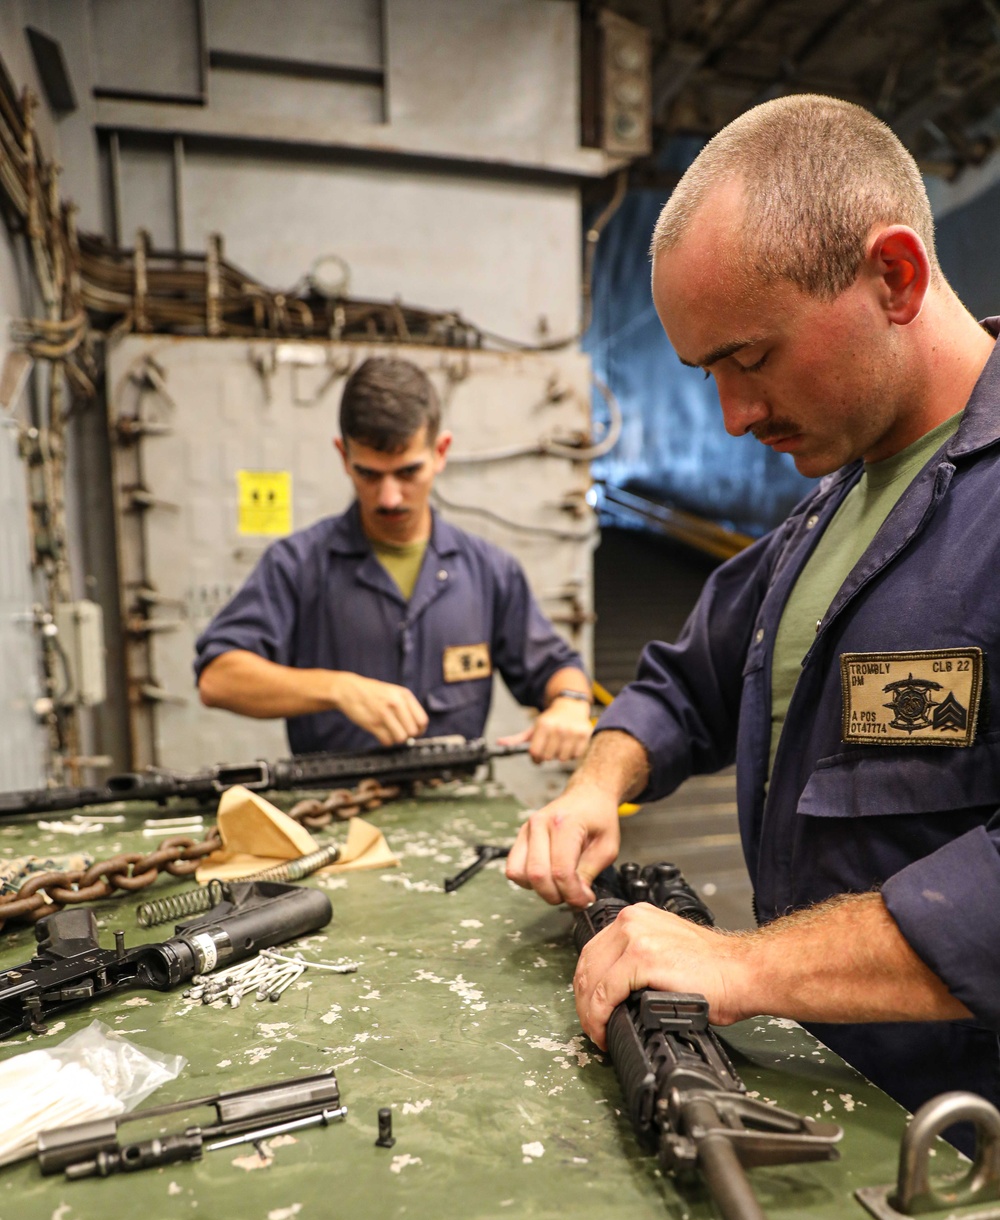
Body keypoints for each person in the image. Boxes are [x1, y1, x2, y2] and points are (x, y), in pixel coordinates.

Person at [507, 93, 1000, 1125]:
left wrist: (744, 963)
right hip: (842, 1112)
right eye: (706, 373)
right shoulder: (833, 507)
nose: (733, 417)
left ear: (895, 277)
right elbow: (684, 680)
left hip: (967, 1151)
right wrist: (597, 786)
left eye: (751, 357)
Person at [195, 357, 593, 763]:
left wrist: (571, 703)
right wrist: (338, 689)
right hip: (333, 808)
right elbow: (218, 679)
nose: (389, 497)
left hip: (451, 805)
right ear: (343, 455)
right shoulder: (298, 565)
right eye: (368, 474)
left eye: (407, 472)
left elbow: (556, 668)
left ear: (440, 452)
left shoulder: (489, 572)